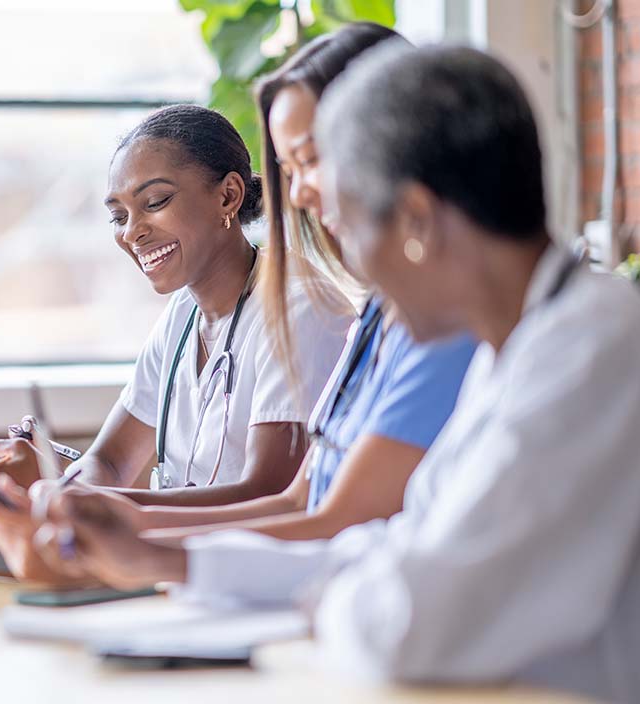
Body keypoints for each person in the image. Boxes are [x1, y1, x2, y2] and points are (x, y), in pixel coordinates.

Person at [37, 45, 640, 702]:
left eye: (348, 227)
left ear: (416, 222)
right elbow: (390, 550)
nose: (357, 281)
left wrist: (323, 593)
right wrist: (164, 558)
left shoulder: (591, 354)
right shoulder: (519, 345)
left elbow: (410, 621)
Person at [0, 24, 476, 565]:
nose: (300, 192)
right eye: (118, 216)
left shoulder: (388, 320)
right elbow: (300, 499)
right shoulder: (383, 318)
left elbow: (315, 513)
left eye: (312, 161)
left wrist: (140, 541)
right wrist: (90, 508)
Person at [0, 104, 352, 581]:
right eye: (118, 216)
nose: (132, 232)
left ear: (228, 196)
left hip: (249, 577)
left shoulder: (300, 307)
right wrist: (64, 494)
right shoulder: (184, 315)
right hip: (172, 566)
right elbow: (109, 459)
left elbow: (268, 492)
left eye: (155, 202)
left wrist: (99, 507)